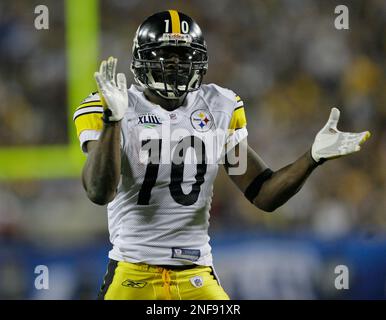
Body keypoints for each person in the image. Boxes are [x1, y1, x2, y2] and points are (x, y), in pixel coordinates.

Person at [73, 10, 370, 300]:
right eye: (166, 55)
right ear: (143, 58)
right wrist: (112, 119)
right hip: (132, 274)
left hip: (196, 274)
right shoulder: (112, 103)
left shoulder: (219, 105)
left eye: (184, 56)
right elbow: (100, 191)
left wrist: (312, 157)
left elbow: (263, 194)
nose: (176, 65)